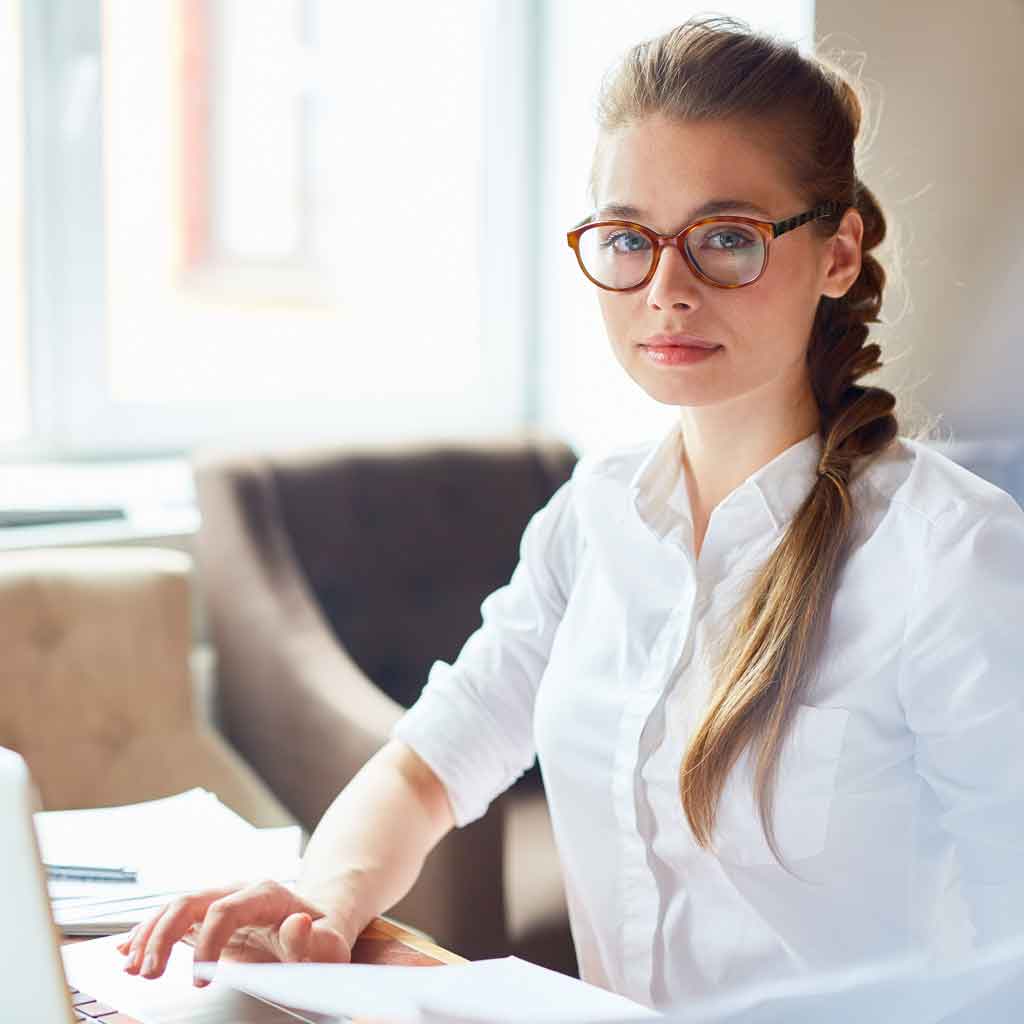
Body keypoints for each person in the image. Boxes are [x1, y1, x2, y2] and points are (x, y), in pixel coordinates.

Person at [119, 14, 1024, 1017]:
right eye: (628, 239)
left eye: (726, 238)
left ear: (838, 252)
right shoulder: (592, 518)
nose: (666, 290)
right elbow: (431, 760)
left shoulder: (952, 558)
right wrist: (320, 897)